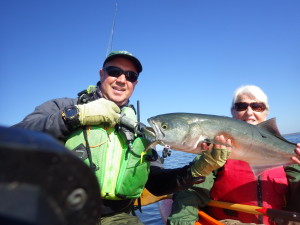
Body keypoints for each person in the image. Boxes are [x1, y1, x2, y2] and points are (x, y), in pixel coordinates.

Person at [12, 50, 231, 225]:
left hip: (117, 217)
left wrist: (197, 170)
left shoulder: (141, 131)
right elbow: (18, 136)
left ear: (135, 83)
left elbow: (155, 183)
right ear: (101, 74)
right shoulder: (63, 107)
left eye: (130, 75)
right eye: (114, 71)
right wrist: (74, 117)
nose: (121, 79)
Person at [168, 85, 300, 225]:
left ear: (265, 112)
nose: (249, 112)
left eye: (257, 106)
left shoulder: (288, 156)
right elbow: (191, 193)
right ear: (233, 113)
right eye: (241, 106)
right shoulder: (214, 152)